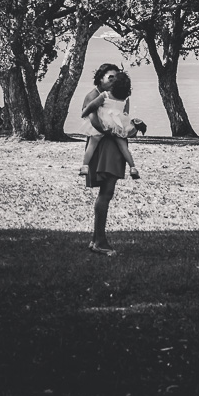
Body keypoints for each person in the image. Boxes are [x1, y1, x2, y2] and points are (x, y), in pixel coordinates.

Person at [79, 64, 145, 256]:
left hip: (115, 146)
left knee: (107, 191)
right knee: (105, 192)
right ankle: (100, 241)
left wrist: (133, 127)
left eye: (116, 78)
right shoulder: (94, 96)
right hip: (102, 146)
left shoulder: (121, 98)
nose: (113, 81)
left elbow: (123, 122)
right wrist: (112, 132)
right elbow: (94, 121)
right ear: (100, 78)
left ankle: (96, 239)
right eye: (110, 77)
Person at [80, 69, 145, 180]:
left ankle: (85, 166)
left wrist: (84, 114)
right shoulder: (125, 97)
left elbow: (92, 106)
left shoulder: (105, 95)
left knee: (93, 142)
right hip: (118, 122)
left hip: (104, 121)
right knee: (123, 146)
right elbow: (125, 112)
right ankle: (133, 167)